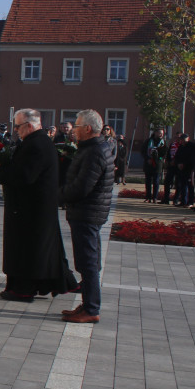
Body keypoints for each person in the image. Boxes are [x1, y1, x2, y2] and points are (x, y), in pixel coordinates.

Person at [0, 109, 77, 300]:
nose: (16, 130)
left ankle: (23, 289)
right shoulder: (36, 142)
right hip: (31, 208)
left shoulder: (37, 145)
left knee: (28, 250)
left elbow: (24, 176)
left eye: (18, 126)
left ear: (29, 125)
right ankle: (42, 284)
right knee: (37, 250)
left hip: (31, 210)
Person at [61, 109, 114, 324]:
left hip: (87, 213)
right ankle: (87, 303)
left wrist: (58, 196)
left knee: (88, 262)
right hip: (87, 212)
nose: (74, 130)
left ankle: (91, 308)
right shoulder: (92, 148)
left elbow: (82, 187)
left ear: (88, 128)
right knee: (87, 261)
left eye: (77, 126)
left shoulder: (95, 152)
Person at [142, 128, 166, 203]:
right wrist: (148, 158)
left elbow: (165, 153)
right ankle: (148, 197)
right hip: (148, 164)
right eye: (159, 133)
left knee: (156, 181)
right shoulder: (148, 141)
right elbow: (143, 151)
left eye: (162, 133)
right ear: (155, 133)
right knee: (148, 181)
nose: (161, 134)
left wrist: (160, 158)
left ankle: (155, 197)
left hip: (158, 164)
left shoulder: (163, 142)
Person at [174, 133, 195, 207]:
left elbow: (192, 158)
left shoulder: (192, 146)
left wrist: (184, 164)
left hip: (189, 169)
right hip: (181, 169)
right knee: (183, 186)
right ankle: (183, 201)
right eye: (181, 139)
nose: (182, 141)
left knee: (190, 186)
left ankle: (190, 202)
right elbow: (177, 156)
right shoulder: (181, 147)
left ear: (188, 139)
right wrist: (178, 164)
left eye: (184, 139)